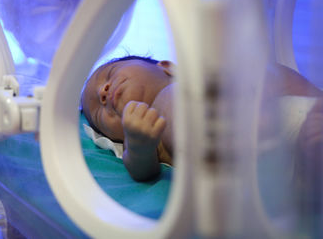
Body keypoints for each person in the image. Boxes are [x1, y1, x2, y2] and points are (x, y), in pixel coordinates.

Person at [81, 55, 323, 181]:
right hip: (268, 165)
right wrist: (138, 144)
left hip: (284, 107)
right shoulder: (146, 136)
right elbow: (141, 171)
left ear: (167, 67)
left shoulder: (195, 75)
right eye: (99, 115)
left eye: (110, 74)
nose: (103, 92)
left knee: (262, 69)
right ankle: (305, 164)